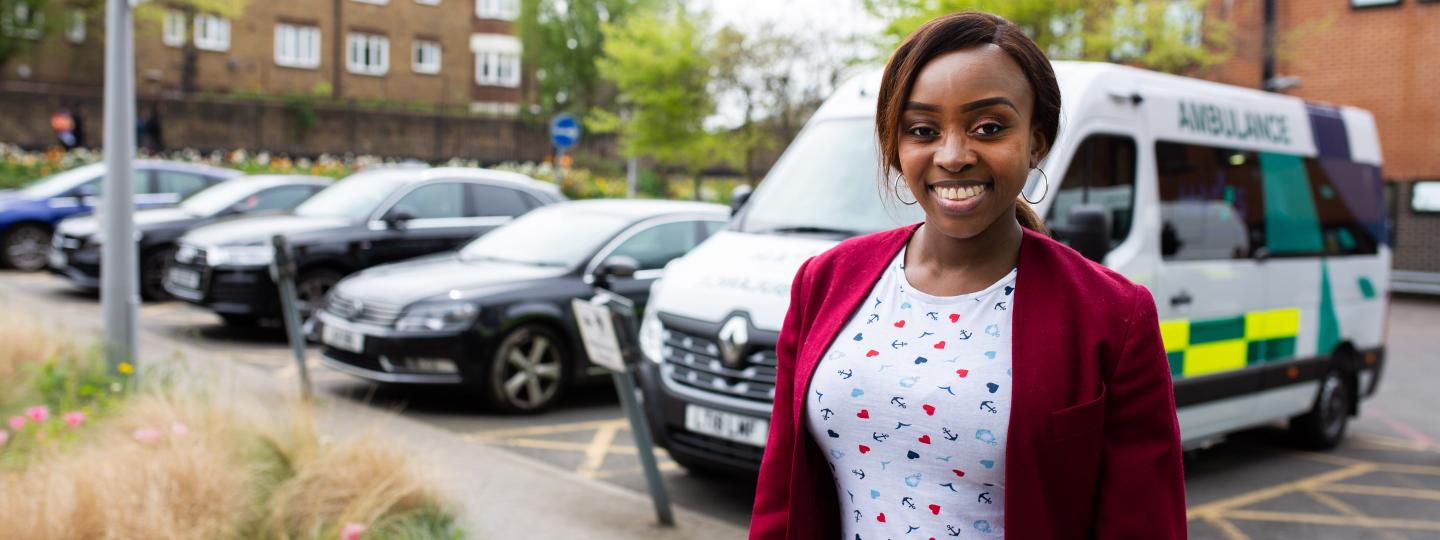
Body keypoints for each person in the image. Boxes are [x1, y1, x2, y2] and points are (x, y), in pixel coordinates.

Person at [749, 11, 1186, 539]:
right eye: (923, 130)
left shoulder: (1113, 315)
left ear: (1036, 141)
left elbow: (1143, 524)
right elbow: (782, 496)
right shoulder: (824, 282)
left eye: (989, 128)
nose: (953, 155)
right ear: (897, 147)